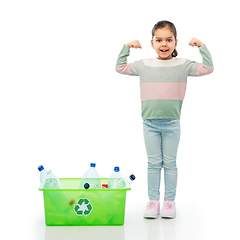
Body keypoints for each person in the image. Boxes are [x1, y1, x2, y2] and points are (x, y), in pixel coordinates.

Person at [115, 20, 214, 219]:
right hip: (149, 123)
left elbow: (208, 68)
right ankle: (153, 202)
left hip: (172, 123)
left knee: (169, 163)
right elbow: (120, 67)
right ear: (152, 43)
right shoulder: (144, 65)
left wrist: (202, 46)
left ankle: (169, 203)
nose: (164, 44)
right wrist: (126, 47)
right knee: (153, 164)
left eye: (168, 40)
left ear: (175, 42)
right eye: (159, 40)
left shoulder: (183, 64)